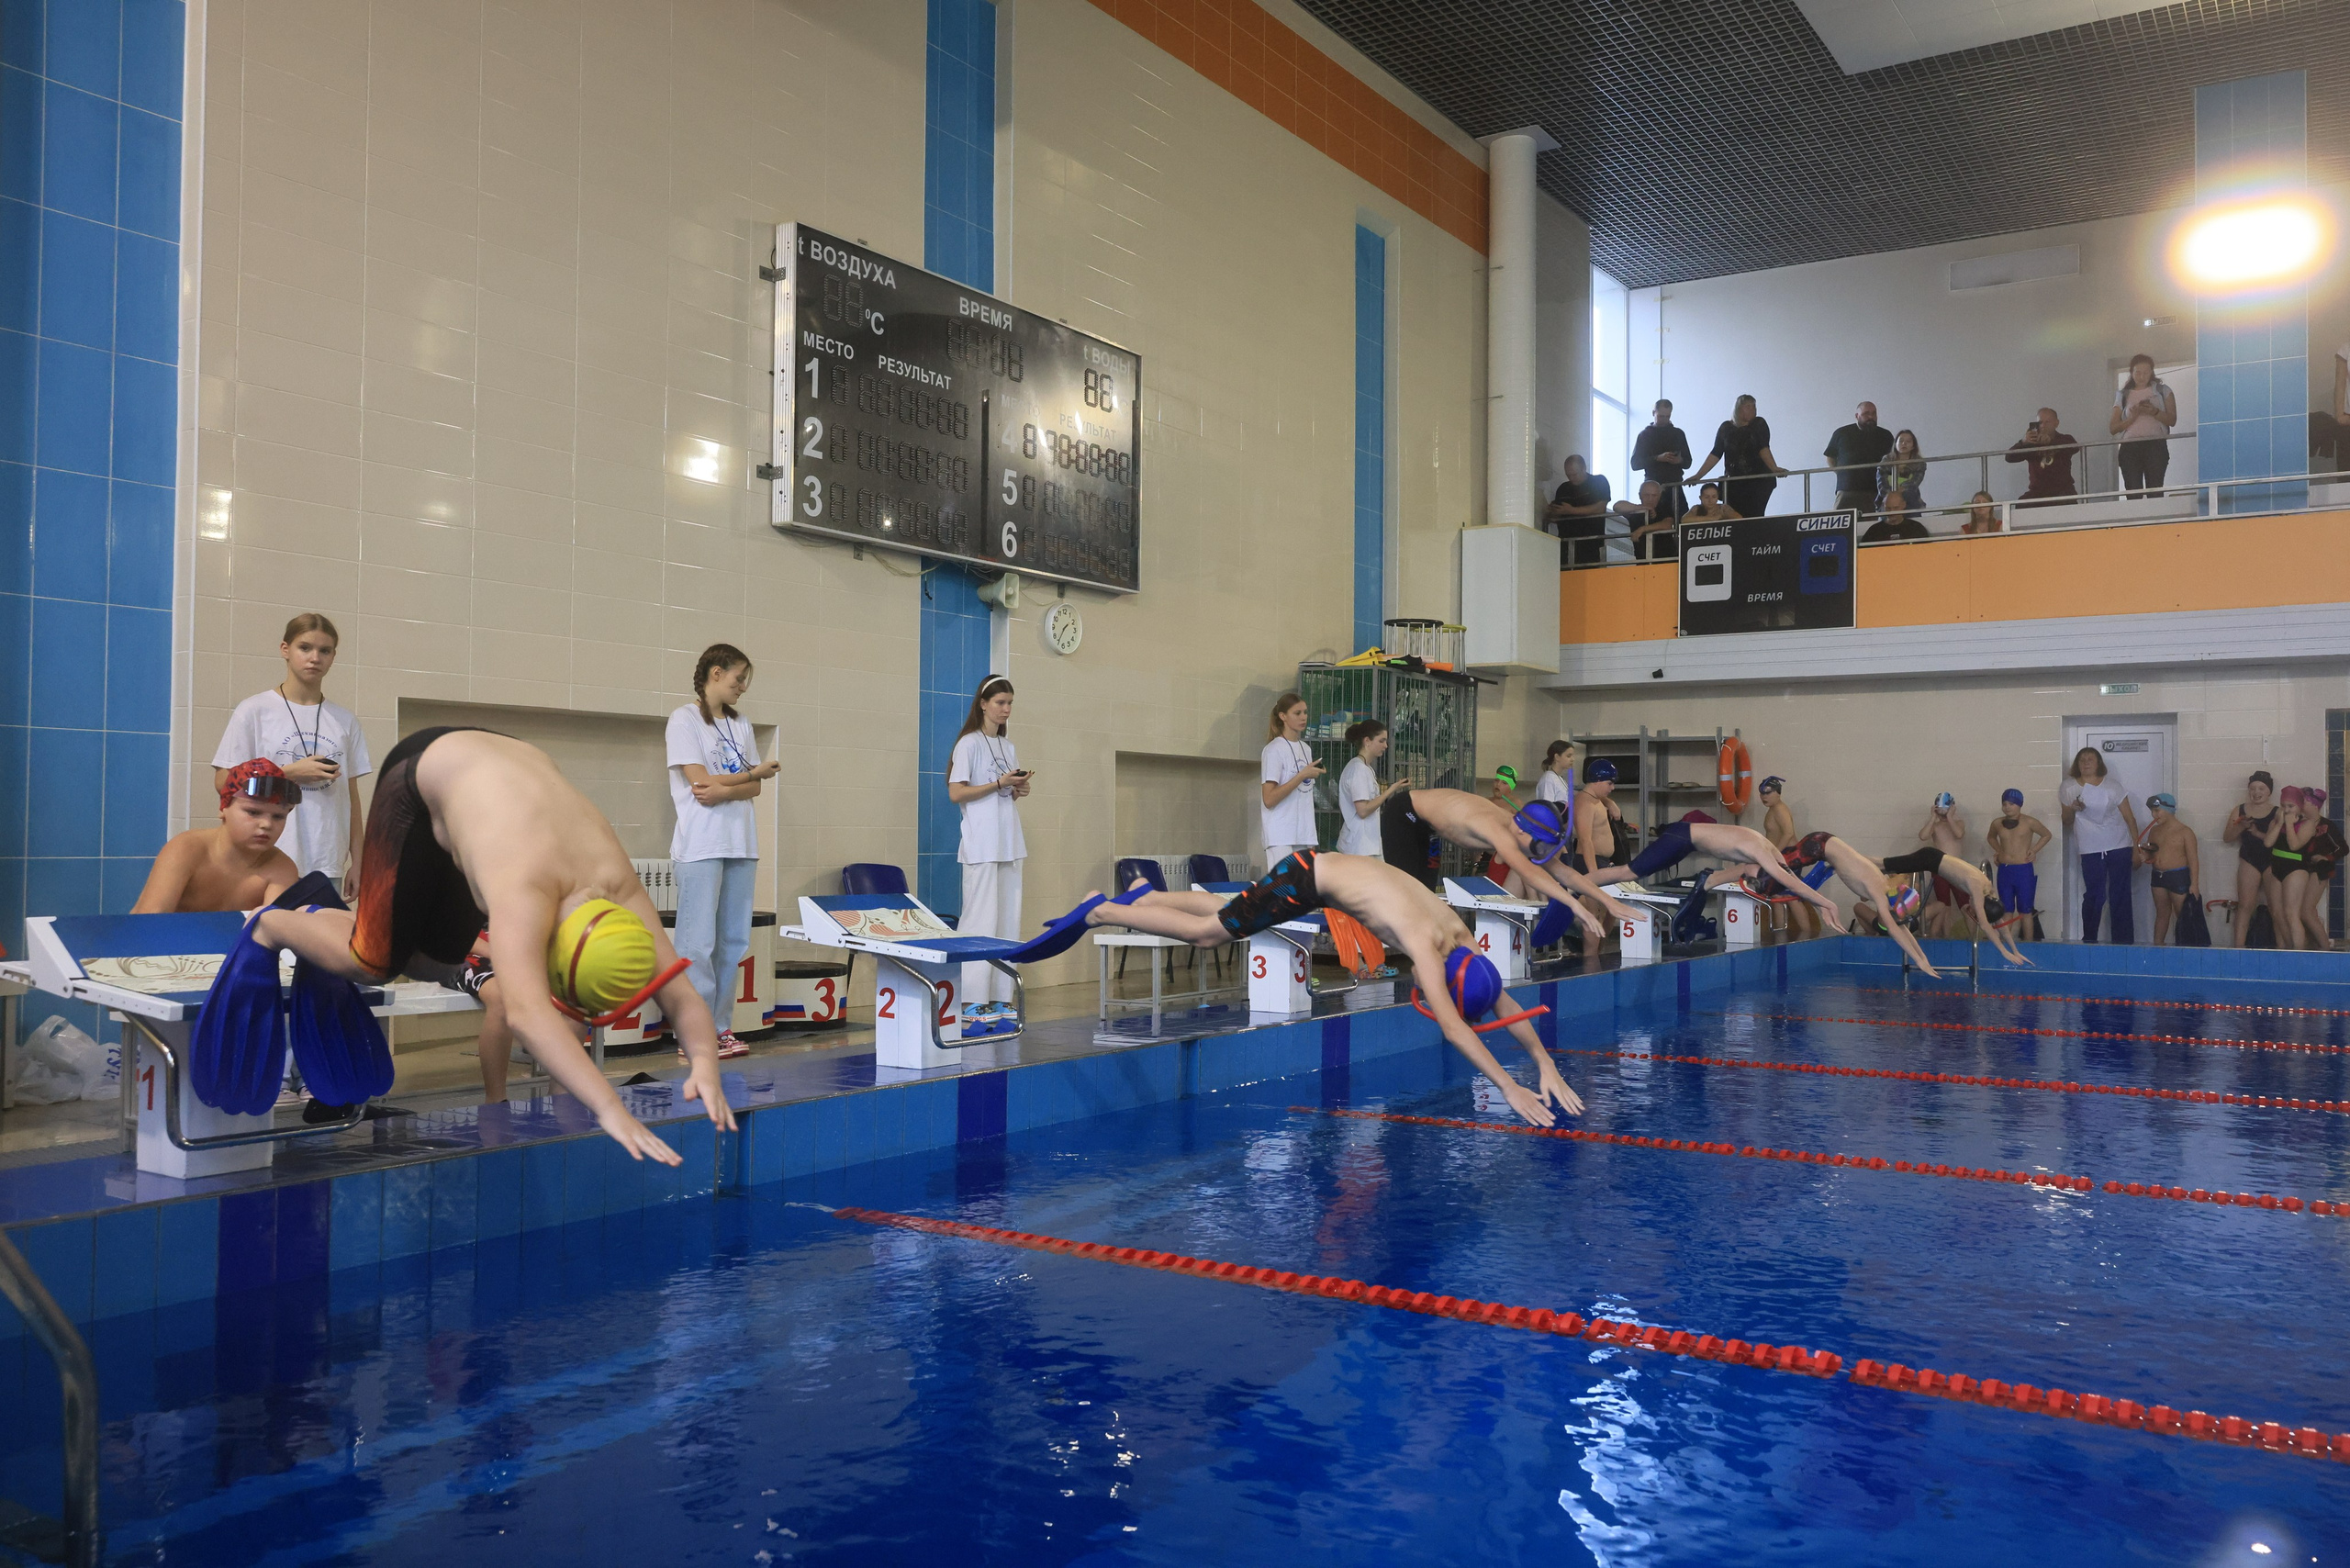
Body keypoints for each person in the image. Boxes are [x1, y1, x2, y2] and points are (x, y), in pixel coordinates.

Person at [246, 728, 737, 1163]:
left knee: (433, 959)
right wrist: (608, 1107)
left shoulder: (616, 883)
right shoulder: (526, 890)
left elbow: (678, 990)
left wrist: (705, 1063)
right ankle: (277, 924)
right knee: (374, 961)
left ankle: (328, 920)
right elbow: (526, 1014)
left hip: (500, 756)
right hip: (418, 774)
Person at [1084, 850, 1583, 1128]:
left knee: (1235, 911)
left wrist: (1543, 1060)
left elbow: (1502, 1001)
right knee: (1209, 934)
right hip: (1306, 878)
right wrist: (1507, 1086)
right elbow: (1454, 1029)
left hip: (1318, 873)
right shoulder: (1427, 948)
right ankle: (1103, 911)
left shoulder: (1460, 937)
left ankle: (1146, 896)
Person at [666, 644, 778, 1059]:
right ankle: (692, 1032)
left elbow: (754, 789)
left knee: (733, 941)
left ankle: (720, 1027)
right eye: (738, 678)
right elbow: (699, 783)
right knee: (696, 943)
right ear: (716, 673)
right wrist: (749, 774)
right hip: (701, 845)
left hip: (741, 842)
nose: (743, 687)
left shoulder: (741, 723)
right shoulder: (683, 719)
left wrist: (732, 785)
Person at [210, 612, 373, 890]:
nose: (315, 658)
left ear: (333, 657)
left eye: (324, 651)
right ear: (285, 650)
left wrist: (359, 862)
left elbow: (351, 800)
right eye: (305, 648)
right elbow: (223, 782)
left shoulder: (345, 721)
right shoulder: (254, 711)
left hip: (326, 863)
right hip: (264, 858)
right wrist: (288, 773)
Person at [1379, 785, 1635, 943]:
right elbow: (1530, 873)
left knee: (1424, 894)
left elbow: (1564, 872)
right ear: (1524, 833)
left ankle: (1421, 957)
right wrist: (1575, 906)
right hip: (1405, 815)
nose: (1539, 854)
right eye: (1538, 847)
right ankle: (1380, 952)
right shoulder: (1497, 831)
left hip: (1428, 827)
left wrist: (1608, 901)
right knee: (1407, 892)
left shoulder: (1520, 829)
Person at [1588, 813, 1851, 935]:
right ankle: (1575, 884)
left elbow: (1791, 881)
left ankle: (1706, 883)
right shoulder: (1760, 853)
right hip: (1680, 838)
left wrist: (1820, 903)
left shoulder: (1774, 854)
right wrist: (1829, 904)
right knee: (1627, 873)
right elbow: (1786, 880)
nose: (1749, 879)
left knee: (1628, 873)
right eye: (1755, 880)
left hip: (1685, 839)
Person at [948, 675, 1032, 1012]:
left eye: (1010, 703)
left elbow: (1003, 795)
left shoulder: (1008, 747)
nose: (1006, 709)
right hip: (981, 844)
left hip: (1009, 843)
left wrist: (1018, 789)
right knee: (979, 921)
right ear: (983, 704)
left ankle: (1000, 997)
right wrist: (998, 783)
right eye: (1000, 703)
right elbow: (956, 793)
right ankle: (971, 997)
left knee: (1007, 922)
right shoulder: (968, 744)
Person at [132, 760, 302, 913]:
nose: (267, 824)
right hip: (163, 937)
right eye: (253, 812)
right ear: (223, 809)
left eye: (278, 816)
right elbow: (150, 920)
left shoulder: (282, 868)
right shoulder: (187, 849)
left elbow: (274, 929)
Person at [1778, 832, 1947, 976]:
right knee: (1772, 873)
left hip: (1824, 845)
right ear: (1895, 906)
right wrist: (1919, 961)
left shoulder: (1886, 889)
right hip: (1820, 845)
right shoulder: (1878, 891)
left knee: (1781, 875)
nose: (1895, 918)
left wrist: (1923, 958)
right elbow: (1894, 930)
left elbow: (1902, 929)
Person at [1874, 842, 2032, 965]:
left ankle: (1862, 865)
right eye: (1976, 910)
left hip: (1933, 859)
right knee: (1882, 864)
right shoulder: (1977, 888)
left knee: (1885, 867)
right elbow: (1985, 925)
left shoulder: (1989, 891)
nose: (1972, 908)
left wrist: (2015, 950)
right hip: (1928, 858)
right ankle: (1858, 862)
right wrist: (2004, 952)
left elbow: (1999, 922)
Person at [2060, 745, 2139, 943]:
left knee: (2120, 894)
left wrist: (2136, 849)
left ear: (2098, 764)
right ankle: (2090, 939)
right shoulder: (2068, 787)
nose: (2086, 763)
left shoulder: (2113, 786)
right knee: (2095, 895)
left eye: (2090, 759)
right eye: (2082, 759)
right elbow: (2066, 821)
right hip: (2090, 848)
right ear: (2077, 764)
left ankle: (2123, 942)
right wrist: (2072, 808)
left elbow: (2130, 818)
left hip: (2119, 845)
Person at [1689, 394, 1785, 521]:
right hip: (1734, 481)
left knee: (1755, 514)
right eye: (1747, 406)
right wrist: (1698, 475)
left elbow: (1763, 447)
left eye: (1753, 406)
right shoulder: (1726, 428)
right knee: (1735, 516)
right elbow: (1716, 453)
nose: (1752, 409)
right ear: (1738, 409)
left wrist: (1774, 468)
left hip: (1758, 479)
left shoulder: (1759, 424)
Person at [1259, 692, 1323, 866]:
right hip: (1280, 834)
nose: (1304, 717)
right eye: (1297, 713)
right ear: (1283, 716)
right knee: (1284, 882)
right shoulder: (1273, 750)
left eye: (1305, 712)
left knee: (1304, 882)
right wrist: (1302, 775)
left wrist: (1310, 835)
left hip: (1304, 833)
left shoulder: (1306, 749)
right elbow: (1269, 799)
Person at [2221, 770, 2279, 948]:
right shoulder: (2240, 810)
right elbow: (2227, 838)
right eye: (2253, 788)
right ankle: (2239, 949)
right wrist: (2240, 827)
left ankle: (2282, 949)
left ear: (2269, 791)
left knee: (2276, 908)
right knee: (2245, 906)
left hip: (2272, 861)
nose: (2256, 792)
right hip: (2249, 860)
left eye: (2261, 788)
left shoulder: (2278, 812)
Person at [1753, 775, 1816, 939]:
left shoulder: (1780, 809)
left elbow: (1788, 833)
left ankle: (1807, 935)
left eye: (1768, 793)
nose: (1764, 797)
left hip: (1788, 854)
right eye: (1762, 793)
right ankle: (1780, 936)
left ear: (1778, 793)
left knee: (1791, 896)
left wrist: (1775, 854)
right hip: (1783, 854)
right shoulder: (1773, 809)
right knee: (1777, 895)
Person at [1985, 790, 2051, 942]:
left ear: (2020, 805)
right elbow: (1991, 837)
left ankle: (2028, 944)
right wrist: (1999, 851)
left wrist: (2034, 850)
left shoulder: (2029, 822)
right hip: (2005, 870)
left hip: (2023, 870)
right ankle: (2004, 944)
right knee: (2006, 909)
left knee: (2025, 911)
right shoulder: (1997, 823)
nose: (2007, 807)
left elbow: (2047, 835)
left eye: (2011, 804)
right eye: (2004, 804)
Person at [2109, 353, 2178, 498]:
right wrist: (2132, 417)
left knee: (2155, 490)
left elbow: (2172, 420)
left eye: (2146, 373)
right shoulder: (2123, 395)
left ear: (2152, 372)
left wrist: (2154, 411)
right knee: (2133, 492)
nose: (2142, 377)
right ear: (2131, 372)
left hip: (2155, 445)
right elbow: (2113, 428)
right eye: (2138, 372)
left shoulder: (2163, 390)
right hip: (2130, 447)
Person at [2261, 789, 2322, 950]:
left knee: (2291, 914)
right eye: (2283, 805)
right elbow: (2268, 842)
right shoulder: (2276, 821)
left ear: (2300, 807)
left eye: (2291, 806)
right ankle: (2286, 950)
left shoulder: (2308, 823)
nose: (2286, 810)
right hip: (2276, 868)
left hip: (2296, 869)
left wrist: (2289, 825)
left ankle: (2298, 955)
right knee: (2276, 913)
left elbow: (2295, 845)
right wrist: (2279, 823)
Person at [2136, 794, 2199, 946]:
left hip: (2178, 877)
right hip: (2158, 877)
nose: (2153, 815)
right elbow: (2153, 852)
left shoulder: (2185, 832)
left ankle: (2186, 948)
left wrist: (2194, 884)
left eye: (2157, 811)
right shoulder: (2154, 831)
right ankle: (2158, 945)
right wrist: (2146, 855)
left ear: (2169, 809)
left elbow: (2193, 860)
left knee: (2182, 915)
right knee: (2162, 913)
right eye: (2152, 811)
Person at [1336, 720, 1404, 857]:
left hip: (1367, 844)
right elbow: (1363, 810)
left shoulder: (1365, 768)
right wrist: (1391, 790)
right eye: (1381, 741)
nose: (1385, 746)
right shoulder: (1359, 769)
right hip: (1359, 846)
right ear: (1367, 741)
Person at [2288, 789, 2343, 951]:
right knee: (2299, 912)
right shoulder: (2298, 822)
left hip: (2319, 870)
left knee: (2306, 911)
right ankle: (2312, 947)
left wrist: (2326, 857)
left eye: (2303, 801)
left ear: (2314, 805)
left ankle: (2325, 949)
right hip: (2301, 869)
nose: (2300, 805)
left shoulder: (2326, 825)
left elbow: (2343, 848)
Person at [1822, 400, 1894, 516]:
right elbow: (1830, 457)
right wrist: (1842, 473)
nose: (1871, 417)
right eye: (1866, 414)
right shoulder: (1842, 433)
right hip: (1847, 489)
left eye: (1874, 413)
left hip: (1876, 490)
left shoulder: (1886, 435)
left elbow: (1893, 459)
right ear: (1857, 416)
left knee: (1873, 525)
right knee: (1842, 522)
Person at [1628, 400, 1692, 522]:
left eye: (1667, 416)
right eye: (1661, 416)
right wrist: (1657, 458)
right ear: (1654, 413)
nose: (1664, 420)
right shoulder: (1645, 435)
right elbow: (1635, 464)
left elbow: (1688, 462)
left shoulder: (1678, 434)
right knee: (1654, 521)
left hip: (1675, 485)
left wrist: (1679, 460)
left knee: (1683, 521)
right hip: (1653, 487)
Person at [1545, 454, 1613, 566]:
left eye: (1574, 474)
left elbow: (1600, 508)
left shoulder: (1599, 482)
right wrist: (1553, 512)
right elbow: (1559, 514)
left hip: (1590, 544)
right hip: (1565, 544)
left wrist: (1571, 510)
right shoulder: (1563, 488)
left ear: (1584, 468)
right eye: (1568, 475)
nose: (1571, 478)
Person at [2006, 409, 2080, 508]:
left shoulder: (2064, 439)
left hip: (2062, 491)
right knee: (2021, 505)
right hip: (2038, 492)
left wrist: (2051, 442)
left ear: (2056, 423)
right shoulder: (2031, 443)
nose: (2043, 425)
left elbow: (2074, 447)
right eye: (2040, 422)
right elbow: (2009, 457)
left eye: (2047, 422)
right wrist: (2023, 442)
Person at [1913, 791, 1966, 928]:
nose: (1943, 815)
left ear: (1952, 809)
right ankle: (1945, 936)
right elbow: (1923, 836)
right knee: (1944, 906)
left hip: (1957, 869)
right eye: (1940, 812)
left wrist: (1949, 817)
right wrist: (1933, 818)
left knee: (1965, 905)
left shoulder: (1959, 823)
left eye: (1946, 811)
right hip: (1940, 869)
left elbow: (1959, 834)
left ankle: (1973, 935)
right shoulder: (1935, 826)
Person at [1611, 478, 1678, 560]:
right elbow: (1617, 506)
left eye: (1654, 495)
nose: (1650, 499)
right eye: (1646, 495)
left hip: (1666, 559)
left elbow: (1667, 525)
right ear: (1640, 495)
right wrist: (1641, 508)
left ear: (1660, 496)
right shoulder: (1635, 512)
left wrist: (1643, 529)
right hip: (1641, 560)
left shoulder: (1664, 509)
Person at [1879, 428, 1926, 511]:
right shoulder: (1886, 460)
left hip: (1909, 499)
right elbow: (1881, 483)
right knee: (1887, 504)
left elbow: (1914, 483)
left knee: (1910, 497)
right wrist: (1892, 494)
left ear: (1913, 446)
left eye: (1908, 441)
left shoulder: (1919, 463)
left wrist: (1898, 492)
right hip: (1887, 497)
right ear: (1895, 444)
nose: (1904, 443)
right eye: (1901, 441)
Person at [1860, 489, 1930, 542]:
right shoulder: (1874, 532)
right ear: (1883, 507)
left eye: (1896, 508)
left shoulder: (1916, 528)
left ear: (1904, 505)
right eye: (1888, 508)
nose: (1892, 512)